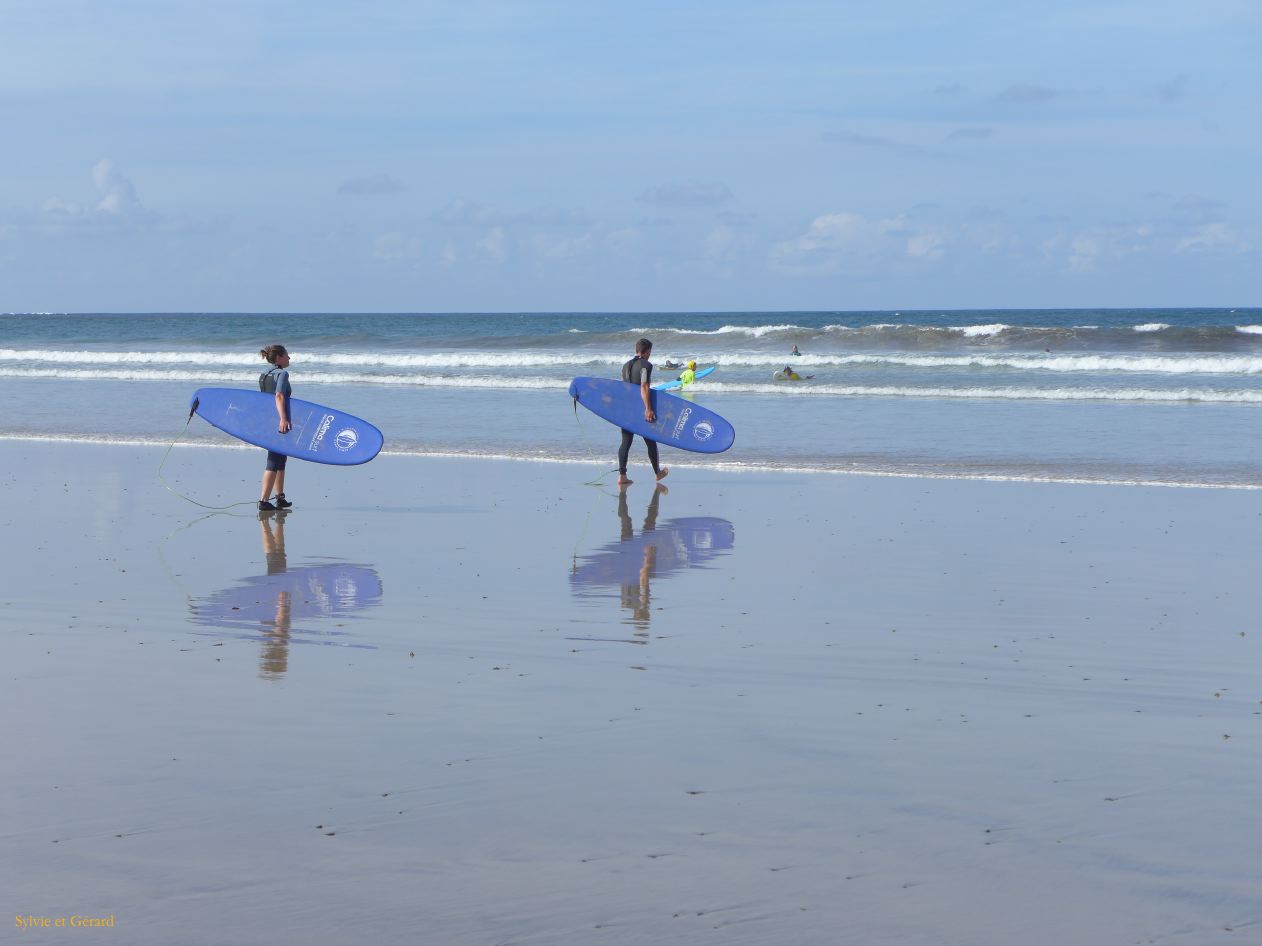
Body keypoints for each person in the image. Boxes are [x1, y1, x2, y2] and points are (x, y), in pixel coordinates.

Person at [618, 337, 669, 485]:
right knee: (650, 441)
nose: (650, 355)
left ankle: (622, 476)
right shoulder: (646, 365)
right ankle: (657, 473)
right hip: (640, 409)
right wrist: (648, 409)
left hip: (626, 410)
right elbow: (644, 386)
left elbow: (625, 388)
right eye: (650, 352)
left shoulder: (625, 366)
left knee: (625, 442)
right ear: (646, 352)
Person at [258, 344, 294, 511]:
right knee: (273, 461)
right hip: (279, 422)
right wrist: (284, 418)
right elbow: (279, 395)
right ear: (279, 357)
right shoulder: (283, 374)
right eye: (287, 355)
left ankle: (280, 498)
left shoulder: (264, 375)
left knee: (280, 459)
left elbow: (264, 400)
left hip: (267, 421)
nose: (289, 358)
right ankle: (264, 501)